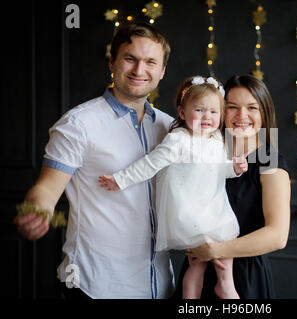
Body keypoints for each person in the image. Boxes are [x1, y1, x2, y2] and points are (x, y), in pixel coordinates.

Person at [13, 22, 176, 299]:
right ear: (112, 62)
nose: (139, 70)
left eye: (150, 62)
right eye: (130, 59)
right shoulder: (79, 124)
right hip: (96, 285)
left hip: (161, 284)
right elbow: (46, 190)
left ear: (161, 71)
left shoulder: (170, 128)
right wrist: (36, 210)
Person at [98, 75, 248, 299]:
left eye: (214, 112)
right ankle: (222, 288)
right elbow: (149, 164)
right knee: (203, 255)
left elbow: (218, 170)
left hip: (213, 206)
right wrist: (120, 179)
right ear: (182, 112)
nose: (207, 117)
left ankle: (222, 285)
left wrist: (234, 168)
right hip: (189, 212)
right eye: (199, 110)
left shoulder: (216, 139)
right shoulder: (178, 140)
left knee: (214, 247)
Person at [176, 74, 291, 299]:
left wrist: (216, 250)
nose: (242, 116)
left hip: (242, 281)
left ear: (264, 113)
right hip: (197, 272)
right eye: (232, 107)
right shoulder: (208, 148)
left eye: (252, 108)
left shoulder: (269, 157)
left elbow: (278, 236)